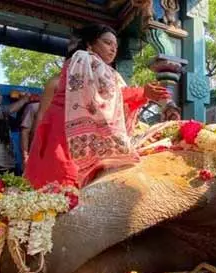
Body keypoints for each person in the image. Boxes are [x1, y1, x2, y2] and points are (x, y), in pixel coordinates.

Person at [25, 24, 170, 189]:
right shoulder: (83, 59)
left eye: (115, 46)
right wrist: (142, 92)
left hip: (72, 135)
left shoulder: (108, 72)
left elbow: (116, 97)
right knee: (62, 186)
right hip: (63, 133)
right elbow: (105, 94)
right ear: (90, 44)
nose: (113, 49)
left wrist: (144, 94)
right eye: (107, 43)